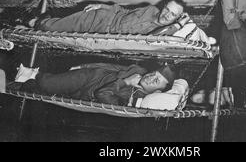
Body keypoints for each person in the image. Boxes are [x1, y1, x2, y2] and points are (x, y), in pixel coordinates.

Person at [4, 62, 176, 106]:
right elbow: (110, 66)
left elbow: (103, 95)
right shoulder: (138, 69)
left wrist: (125, 82)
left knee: (33, 90)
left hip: (84, 94)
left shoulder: (135, 100)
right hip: (88, 76)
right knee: (47, 84)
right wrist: (84, 65)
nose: (151, 77)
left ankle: (20, 79)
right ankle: (32, 73)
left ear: (159, 91)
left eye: (157, 81)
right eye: (154, 73)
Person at [27, 0, 190, 36]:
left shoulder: (160, 31)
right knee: (51, 27)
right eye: (167, 9)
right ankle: (33, 21)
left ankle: (36, 20)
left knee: (53, 26)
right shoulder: (151, 8)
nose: (166, 14)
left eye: (172, 14)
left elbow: (156, 38)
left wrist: (179, 25)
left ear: (176, 18)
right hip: (100, 16)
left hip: (100, 31)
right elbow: (125, 10)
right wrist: (101, 6)